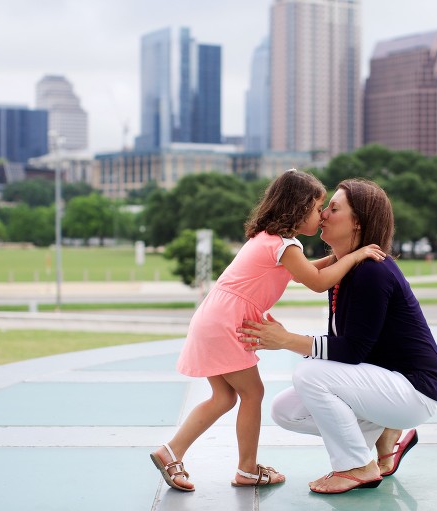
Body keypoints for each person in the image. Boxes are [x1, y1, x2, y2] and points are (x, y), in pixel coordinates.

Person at [150, 170, 386, 492]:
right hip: (226, 323)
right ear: (299, 208)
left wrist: (339, 256)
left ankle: (171, 452)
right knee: (252, 393)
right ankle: (246, 470)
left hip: (214, 318)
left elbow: (305, 273)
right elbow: (317, 283)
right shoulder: (285, 247)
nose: (321, 217)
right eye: (318, 208)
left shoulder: (270, 240)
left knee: (224, 396)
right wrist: (355, 255)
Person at [238, 178, 437, 494]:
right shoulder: (348, 267)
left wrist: (285, 339)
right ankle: (382, 438)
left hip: (414, 389)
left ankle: (357, 466)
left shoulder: (372, 272)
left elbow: (351, 351)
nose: (322, 216)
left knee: (310, 374)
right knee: (286, 411)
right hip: (381, 383)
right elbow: (346, 346)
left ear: (357, 223)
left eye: (332, 209)